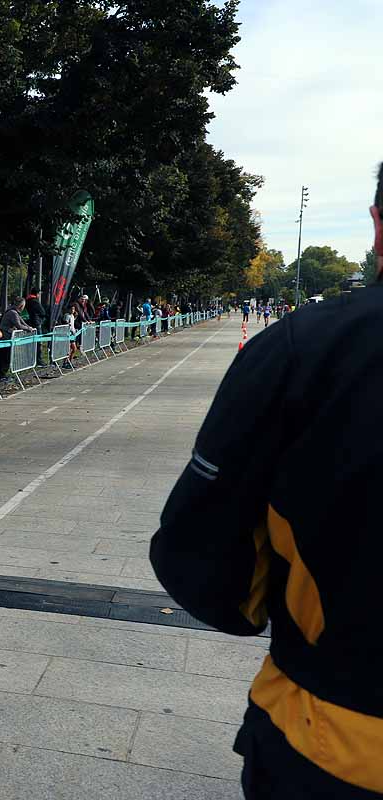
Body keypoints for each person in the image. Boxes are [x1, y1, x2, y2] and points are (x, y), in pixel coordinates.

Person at [150, 164, 383, 799]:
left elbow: (199, 547)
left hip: (333, 737)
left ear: (377, 227)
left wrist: (260, 611)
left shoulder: (299, 348)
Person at [0, 296, 37, 379]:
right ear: (21, 306)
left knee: (6, 356)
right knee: (5, 356)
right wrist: (29, 329)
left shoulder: (14, 312)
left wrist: (29, 327)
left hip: (7, 336)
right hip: (6, 337)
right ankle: (2, 374)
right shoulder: (13, 313)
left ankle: (3, 374)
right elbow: (19, 325)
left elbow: (22, 322)